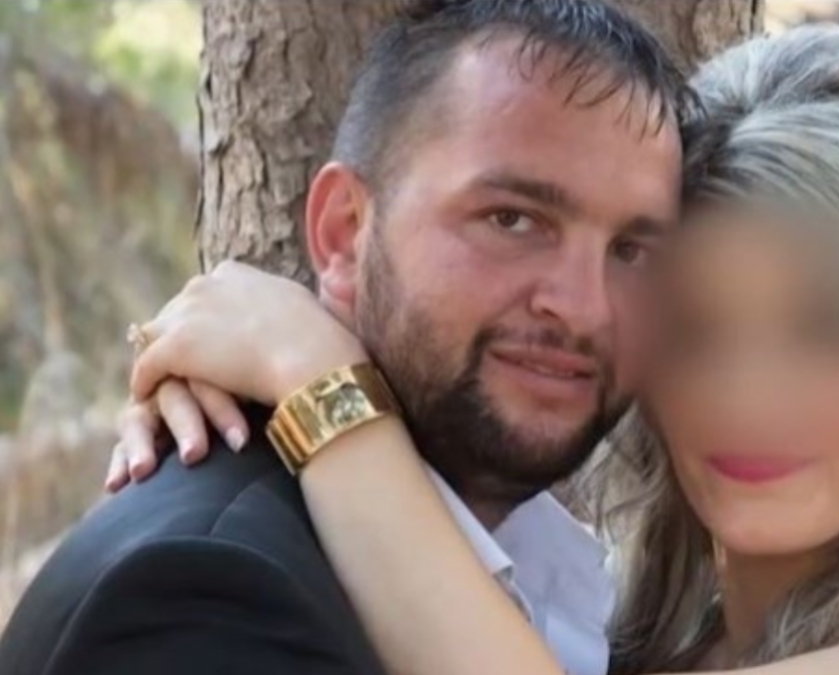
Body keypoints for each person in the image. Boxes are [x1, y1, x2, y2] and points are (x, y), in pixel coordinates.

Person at [100, 26, 839, 675]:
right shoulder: (622, 631)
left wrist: (314, 382)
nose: (749, 397)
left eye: (828, 331)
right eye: (696, 330)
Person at [0, 2, 688, 674]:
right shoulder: (208, 593)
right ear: (344, 232)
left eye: (633, 252)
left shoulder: (564, 581)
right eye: (513, 219)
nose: (584, 309)